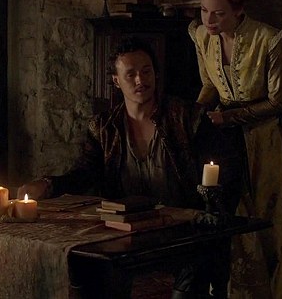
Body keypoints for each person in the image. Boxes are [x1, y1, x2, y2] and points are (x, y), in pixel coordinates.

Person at [19, 36, 235, 298]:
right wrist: (49, 184)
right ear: (116, 80)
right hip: (128, 232)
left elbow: (220, 173)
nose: (140, 80)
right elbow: (85, 172)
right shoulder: (104, 127)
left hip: (180, 231)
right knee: (83, 270)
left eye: (146, 71)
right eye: (130, 74)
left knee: (192, 277)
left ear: (156, 74)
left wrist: (209, 210)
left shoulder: (186, 117)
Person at [188, 0, 282, 299]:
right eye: (204, 10)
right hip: (227, 141)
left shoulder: (268, 40)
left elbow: (278, 102)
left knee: (270, 219)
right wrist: (194, 114)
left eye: (219, 14)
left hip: (268, 139)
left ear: (239, 8)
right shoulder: (201, 36)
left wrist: (230, 117)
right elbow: (210, 85)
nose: (209, 20)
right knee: (235, 217)